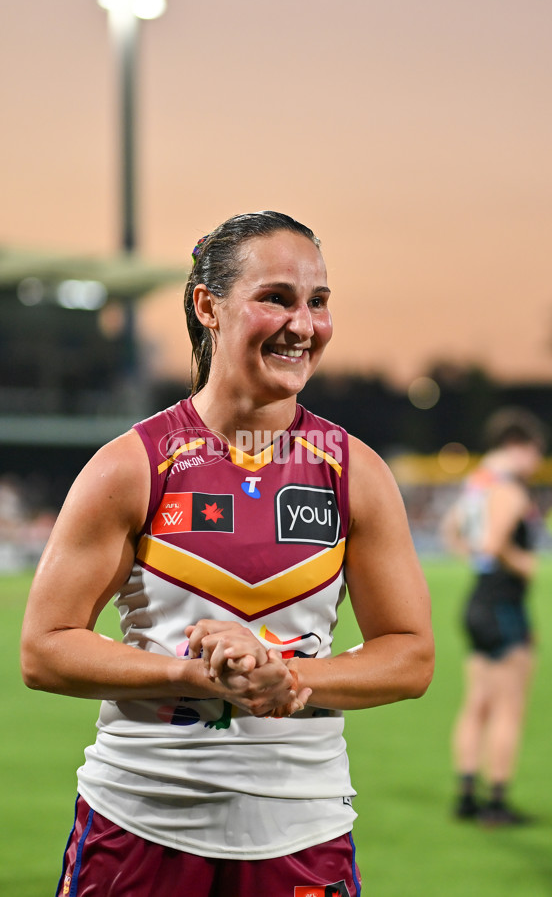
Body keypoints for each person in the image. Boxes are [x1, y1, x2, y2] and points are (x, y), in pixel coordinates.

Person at [21, 210, 434, 897]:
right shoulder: (130, 465)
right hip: (138, 828)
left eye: (318, 302)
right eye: (276, 298)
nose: (304, 326)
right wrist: (199, 676)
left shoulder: (354, 470)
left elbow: (411, 654)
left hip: (303, 834)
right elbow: (45, 648)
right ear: (207, 305)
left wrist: (292, 680)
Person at [442, 407, 545, 825]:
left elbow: (453, 532)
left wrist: (478, 556)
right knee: (509, 707)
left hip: (478, 601)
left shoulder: (477, 486)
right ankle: (497, 802)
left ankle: (467, 796)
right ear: (519, 447)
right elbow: (491, 542)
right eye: (536, 451)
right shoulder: (510, 490)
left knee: (477, 704)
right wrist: (523, 563)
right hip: (504, 606)